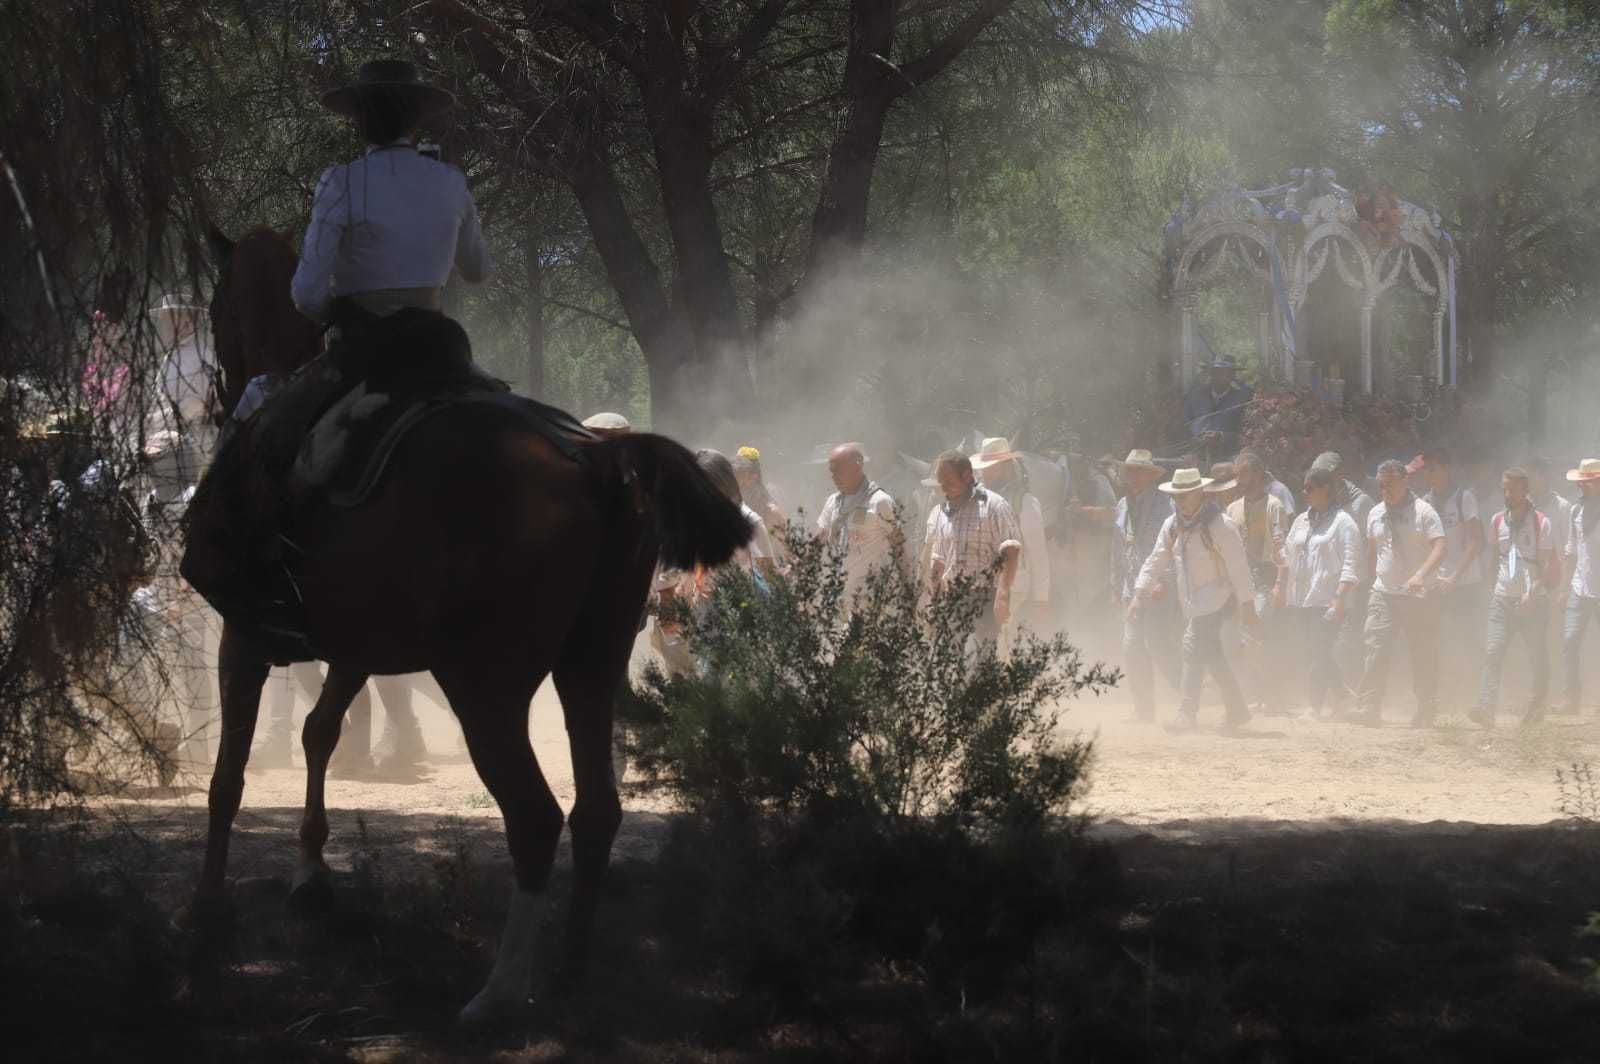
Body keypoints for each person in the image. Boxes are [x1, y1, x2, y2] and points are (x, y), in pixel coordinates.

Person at [1130, 467, 1259, 732]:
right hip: (1193, 602)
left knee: (1191, 645)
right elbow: (1156, 559)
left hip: (1219, 598)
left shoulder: (1220, 524)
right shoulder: (1173, 525)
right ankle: (1237, 709)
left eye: (1186, 496)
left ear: (1200, 493)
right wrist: (1139, 593)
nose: (1180, 502)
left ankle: (1186, 713)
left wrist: (1248, 605)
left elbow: (1238, 566)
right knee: (1212, 654)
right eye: (1177, 497)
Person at [1355, 459, 1447, 727]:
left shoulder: (1424, 512)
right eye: (1381, 486)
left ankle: (1427, 707)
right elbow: (1373, 550)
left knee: (1421, 652)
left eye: (1390, 485)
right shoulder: (1375, 513)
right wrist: (1367, 580)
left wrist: (1420, 575)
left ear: (1404, 481)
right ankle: (1369, 706)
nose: (1385, 490)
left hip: (1418, 596)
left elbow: (1440, 547)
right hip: (1383, 592)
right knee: (1375, 646)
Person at [1469, 468, 1555, 727]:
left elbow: (1546, 566)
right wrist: (1492, 588)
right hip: (1502, 598)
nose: (1508, 494)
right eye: (1504, 489)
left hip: (1532, 602)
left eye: (1513, 489)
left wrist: (1533, 592)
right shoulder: (1497, 521)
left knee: (1536, 655)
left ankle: (1536, 707)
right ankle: (1485, 707)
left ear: (1525, 491)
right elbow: (1495, 558)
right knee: (1493, 651)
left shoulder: (1541, 522)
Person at [1283, 467, 1361, 717]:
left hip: (1328, 599)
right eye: (1304, 488)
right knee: (1315, 651)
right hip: (1302, 599)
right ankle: (1342, 695)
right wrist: (1279, 560)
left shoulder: (1343, 522)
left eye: (1310, 488)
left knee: (1319, 652)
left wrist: (1339, 598)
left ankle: (1315, 707)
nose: (1304, 492)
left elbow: (1351, 562)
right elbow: (1288, 553)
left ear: (1326, 489)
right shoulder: (1301, 520)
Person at [1412, 449, 1485, 707]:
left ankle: (1477, 693)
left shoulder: (1464, 497)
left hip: (1464, 583)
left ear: (1445, 469)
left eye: (1432, 469)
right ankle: (1439, 694)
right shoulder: (1423, 502)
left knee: (1466, 637)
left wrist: (1455, 576)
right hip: (1436, 585)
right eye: (1426, 470)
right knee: (1434, 639)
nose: (1428, 475)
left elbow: (1477, 541)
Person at [927, 450, 1022, 644]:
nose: (945, 490)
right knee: (950, 661)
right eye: (941, 485)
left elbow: (1010, 551)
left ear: (967, 475)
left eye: (950, 483)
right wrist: (934, 601)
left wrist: (1003, 594)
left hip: (985, 598)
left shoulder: (994, 506)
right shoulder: (942, 513)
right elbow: (938, 560)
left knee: (979, 659)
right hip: (952, 598)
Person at [1111, 449, 1178, 722]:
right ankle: (1143, 708)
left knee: (1158, 644)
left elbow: (1176, 544)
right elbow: (1115, 548)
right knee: (1132, 646)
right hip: (1131, 588)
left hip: (1159, 585)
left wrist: (1166, 578)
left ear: (1150, 475)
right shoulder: (1122, 506)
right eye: (1130, 471)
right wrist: (1115, 586)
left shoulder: (1166, 505)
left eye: (1140, 471)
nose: (1134, 476)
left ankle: (1188, 692)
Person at [1228, 450, 1290, 714]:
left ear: (1258, 475)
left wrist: (1280, 582)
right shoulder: (1232, 508)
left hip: (1265, 578)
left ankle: (1271, 694)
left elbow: (1281, 546)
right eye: (1237, 475)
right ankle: (1258, 694)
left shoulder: (1274, 505)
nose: (1240, 480)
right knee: (1245, 640)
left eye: (1244, 474)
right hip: (1241, 581)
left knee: (1257, 637)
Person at [973, 437, 1051, 633]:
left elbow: (1037, 553)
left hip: (1013, 586)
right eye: (985, 467)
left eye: (993, 467)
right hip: (979, 583)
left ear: (1005, 468)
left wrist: (1041, 597)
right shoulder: (976, 500)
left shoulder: (1025, 502)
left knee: (998, 641)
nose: (986, 472)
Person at [815, 443, 901, 605]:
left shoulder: (880, 502)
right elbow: (819, 537)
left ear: (857, 467)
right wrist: (795, 565)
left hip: (870, 595)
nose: (834, 476)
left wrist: (908, 588)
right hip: (839, 592)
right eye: (832, 472)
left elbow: (899, 546)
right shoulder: (833, 502)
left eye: (839, 470)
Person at [1562, 458, 1600, 715]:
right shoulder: (1575, 511)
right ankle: (1571, 697)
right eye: (1582, 482)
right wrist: (1565, 587)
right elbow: (1571, 551)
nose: (1583, 487)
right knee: (1569, 640)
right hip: (1580, 586)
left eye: (1588, 482)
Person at [1183, 355, 1253, 461]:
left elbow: (1247, 433)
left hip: (1228, 459)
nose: (1217, 377)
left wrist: (1221, 436)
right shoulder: (1195, 397)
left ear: (1232, 376)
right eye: (1214, 372)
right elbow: (1185, 425)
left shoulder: (1243, 399)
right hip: (1196, 457)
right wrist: (1194, 439)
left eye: (1223, 373)